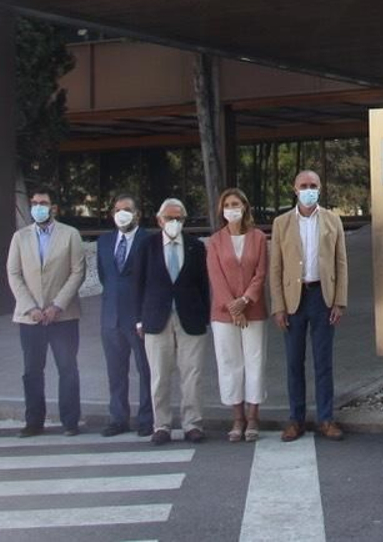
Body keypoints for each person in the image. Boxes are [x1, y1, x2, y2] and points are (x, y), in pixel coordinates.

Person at [269, 169, 349, 442]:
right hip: (294, 299)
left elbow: (341, 263)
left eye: (313, 185)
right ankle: (296, 419)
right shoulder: (281, 223)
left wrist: (340, 301)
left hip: (322, 297)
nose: (308, 189)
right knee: (294, 362)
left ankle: (326, 418)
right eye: (303, 185)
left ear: (320, 188)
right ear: (294, 189)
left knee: (323, 362)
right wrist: (278, 306)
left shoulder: (332, 220)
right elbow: (276, 267)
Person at [6, 186, 87, 438]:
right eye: (34, 202)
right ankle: (34, 421)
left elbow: (78, 272)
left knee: (67, 368)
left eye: (43, 203)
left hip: (62, 316)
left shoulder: (70, 234)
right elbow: (14, 273)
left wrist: (57, 305)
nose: (38, 207)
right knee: (32, 371)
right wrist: (30, 306)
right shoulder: (20, 237)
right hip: (30, 317)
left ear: (53, 208)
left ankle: (70, 421)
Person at [134, 198, 211, 446]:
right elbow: (138, 285)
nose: (174, 222)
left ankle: (192, 424)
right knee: (159, 375)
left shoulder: (195, 247)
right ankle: (162, 425)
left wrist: (205, 315)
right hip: (156, 319)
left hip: (190, 319)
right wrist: (138, 319)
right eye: (169, 217)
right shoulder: (147, 246)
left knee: (192, 374)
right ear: (159, 220)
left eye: (179, 218)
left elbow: (203, 285)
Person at [207, 187, 269, 442]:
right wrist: (232, 307)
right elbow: (216, 276)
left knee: (255, 362)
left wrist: (245, 301)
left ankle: (253, 416)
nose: (231, 208)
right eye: (227, 205)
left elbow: (261, 273)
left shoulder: (258, 238)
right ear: (221, 210)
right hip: (223, 313)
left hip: (253, 310)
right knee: (230, 363)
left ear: (245, 207)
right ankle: (237, 418)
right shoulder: (215, 241)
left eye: (236, 203)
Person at [96, 193, 154, 437]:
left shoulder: (149, 240)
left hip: (139, 317)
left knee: (146, 370)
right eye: (118, 209)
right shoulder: (104, 242)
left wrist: (144, 316)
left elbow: (152, 281)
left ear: (137, 213)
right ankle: (118, 418)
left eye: (127, 209)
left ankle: (146, 419)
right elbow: (104, 276)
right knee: (115, 371)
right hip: (111, 318)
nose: (122, 213)